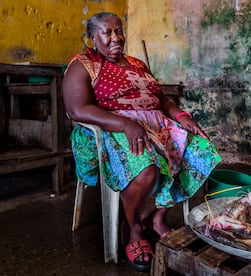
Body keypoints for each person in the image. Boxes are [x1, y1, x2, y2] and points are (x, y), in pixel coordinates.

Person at [62, 12, 221, 272]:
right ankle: (133, 227)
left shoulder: (136, 64)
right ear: (92, 38)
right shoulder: (83, 63)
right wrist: (127, 124)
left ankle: (156, 217)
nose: (116, 38)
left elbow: (161, 99)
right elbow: (76, 109)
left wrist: (181, 116)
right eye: (107, 32)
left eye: (119, 31)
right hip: (111, 126)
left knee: (205, 153)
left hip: (157, 124)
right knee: (147, 169)